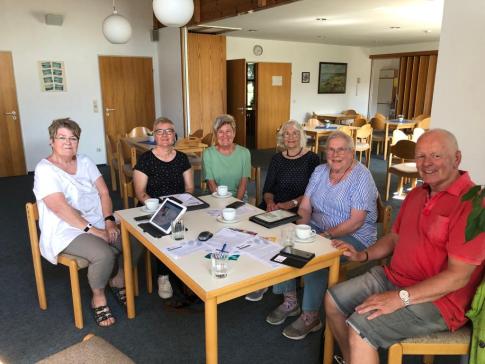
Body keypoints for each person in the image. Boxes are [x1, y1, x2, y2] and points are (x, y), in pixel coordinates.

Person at [325, 129, 485, 364]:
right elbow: (394, 238)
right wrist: (363, 254)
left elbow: (457, 278)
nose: (426, 164)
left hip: (440, 301)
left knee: (361, 327)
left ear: (457, 158)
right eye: (420, 157)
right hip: (395, 278)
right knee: (333, 299)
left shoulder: (473, 203)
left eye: (436, 156)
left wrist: (400, 298)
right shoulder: (417, 194)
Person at [266, 131, 378, 340]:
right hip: (317, 227)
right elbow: (306, 206)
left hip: (356, 236)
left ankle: (311, 316)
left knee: (316, 258)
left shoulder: (361, 176)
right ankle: (290, 301)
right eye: (331, 149)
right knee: (285, 242)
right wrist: (301, 229)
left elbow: (356, 221)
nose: (335, 154)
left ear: (352, 153)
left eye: (341, 149)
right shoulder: (319, 171)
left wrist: (323, 236)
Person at [33, 118, 142, 327]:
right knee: (104, 253)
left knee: (135, 240)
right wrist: (95, 231)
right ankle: (98, 296)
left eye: (73, 138)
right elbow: (60, 208)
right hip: (66, 228)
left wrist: (109, 221)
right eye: (62, 137)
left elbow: (103, 192)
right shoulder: (44, 169)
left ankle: (118, 280)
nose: (68, 142)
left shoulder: (84, 161)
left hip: (97, 220)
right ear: (51, 141)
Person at [245, 120, 320, 302]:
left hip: (299, 207)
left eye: (295, 133)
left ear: (301, 136)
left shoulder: (312, 159)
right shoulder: (277, 159)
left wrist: (290, 203)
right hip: (275, 207)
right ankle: (261, 277)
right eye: (287, 133)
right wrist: (270, 202)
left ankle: (285, 292)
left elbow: (313, 191)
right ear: (282, 138)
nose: (291, 137)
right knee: (255, 232)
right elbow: (268, 188)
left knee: (282, 240)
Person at [133, 117, 194, 306]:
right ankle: (163, 276)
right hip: (151, 206)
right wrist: (160, 208)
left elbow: (190, 188)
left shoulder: (182, 158)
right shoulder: (145, 160)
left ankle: (185, 269)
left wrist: (177, 205)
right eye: (160, 131)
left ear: (174, 135)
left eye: (169, 131)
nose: (165, 135)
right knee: (166, 231)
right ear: (154, 135)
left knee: (193, 229)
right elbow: (140, 192)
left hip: (177, 205)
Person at [202, 114, 251, 200]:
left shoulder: (244, 153)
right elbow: (211, 185)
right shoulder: (208, 154)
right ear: (216, 135)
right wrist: (222, 204)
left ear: (234, 133)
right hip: (215, 197)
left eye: (228, 131)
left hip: (239, 198)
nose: (225, 135)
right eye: (220, 132)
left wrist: (235, 204)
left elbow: (243, 185)